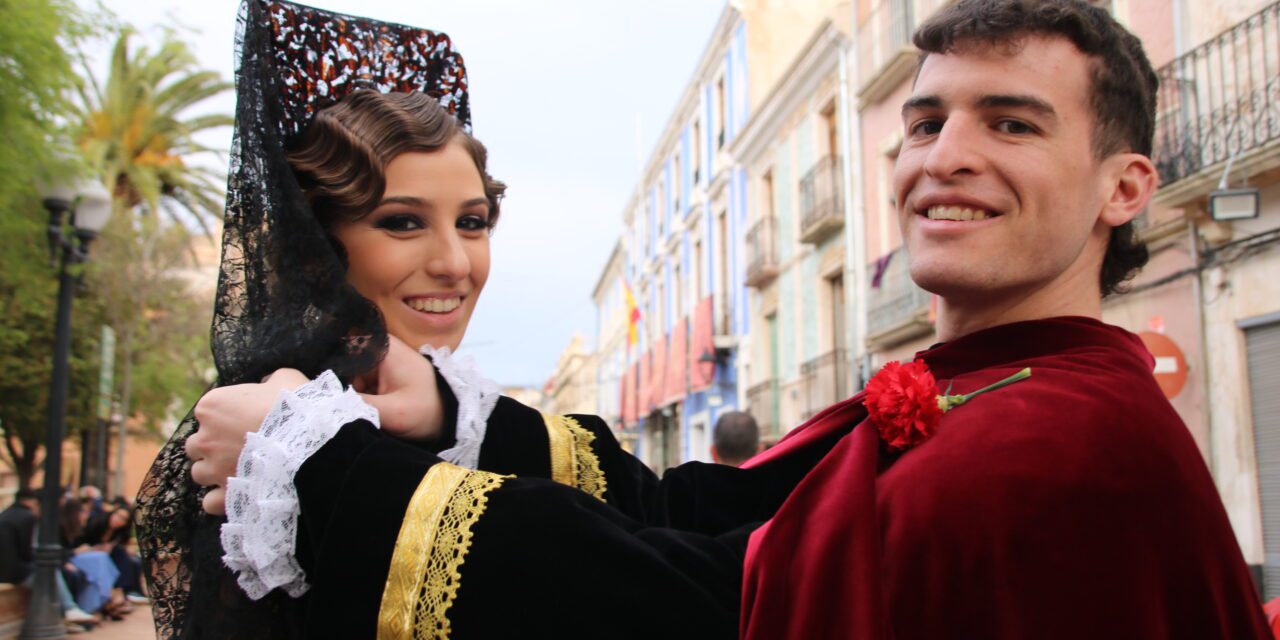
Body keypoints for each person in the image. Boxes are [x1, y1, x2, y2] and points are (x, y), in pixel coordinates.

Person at [193, 0, 1275, 637]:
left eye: (1011, 122)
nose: (944, 156)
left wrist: (322, 473)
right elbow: (711, 511)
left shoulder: (1058, 440)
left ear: (1125, 186)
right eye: (925, 120)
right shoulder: (994, 387)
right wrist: (450, 414)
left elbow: (700, 610)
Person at [137, 1, 662, 638]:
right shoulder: (265, 451)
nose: (453, 262)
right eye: (402, 222)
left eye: (472, 222)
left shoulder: (456, 420)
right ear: (316, 247)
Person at [0, 488, 38, 584]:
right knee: (48, 572)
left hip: (5, 570)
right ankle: (67, 600)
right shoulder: (27, 517)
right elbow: (26, 552)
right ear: (31, 501)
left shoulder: (4, 514)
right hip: (13, 572)